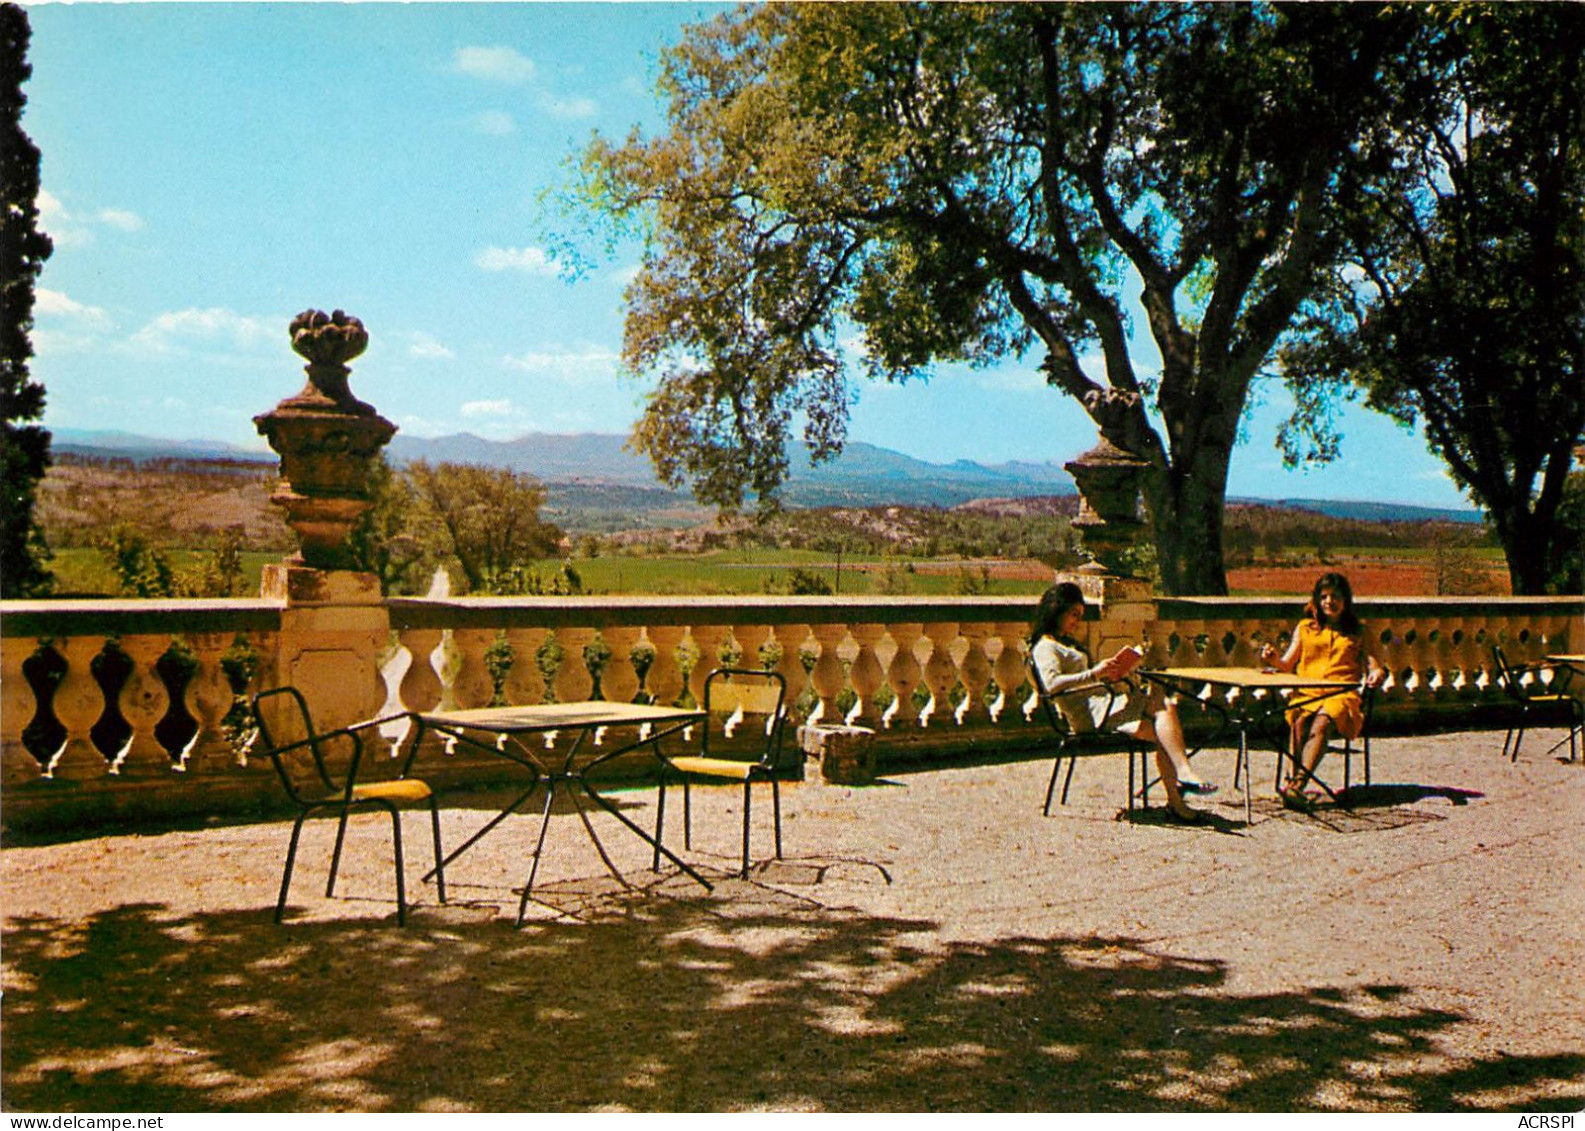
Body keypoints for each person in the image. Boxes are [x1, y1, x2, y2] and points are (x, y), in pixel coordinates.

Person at [1029, 582, 1216, 823]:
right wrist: (1095, 674)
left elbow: (1085, 682)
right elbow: (1052, 685)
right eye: (1074, 615)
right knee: (1164, 715)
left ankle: (1179, 794)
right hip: (1090, 717)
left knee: (1163, 716)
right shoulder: (1046, 647)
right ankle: (1182, 782)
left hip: (1101, 706)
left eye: (1079, 616)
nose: (1077, 621)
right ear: (1057, 610)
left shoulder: (1063, 643)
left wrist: (1113, 672)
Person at [1259, 571, 1386, 810]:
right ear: (1317, 600)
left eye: (1336, 597)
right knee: (1299, 723)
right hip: (1307, 691)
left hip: (1340, 694)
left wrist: (1377, 673)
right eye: (1325, 597)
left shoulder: (1358, 631)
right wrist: (1273, 659)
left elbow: (1374, 663)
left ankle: (1297, 785)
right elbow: (1287, 664)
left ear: (1346, 601)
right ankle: (1291, 781)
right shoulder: (1306, 628)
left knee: (1322, 724)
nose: (1330, 602)